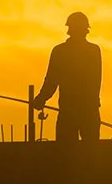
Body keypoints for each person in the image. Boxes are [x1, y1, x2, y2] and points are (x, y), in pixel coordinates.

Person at [29, 12, 102, 141]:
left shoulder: (61, 51)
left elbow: (51, 81)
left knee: (67, 153)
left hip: (71, 111)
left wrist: (41, 99)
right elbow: (52, 80)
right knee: (89, 153)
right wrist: (41, 99)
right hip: (86, 111)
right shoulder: (93, 51)